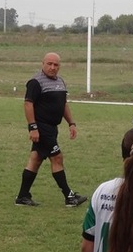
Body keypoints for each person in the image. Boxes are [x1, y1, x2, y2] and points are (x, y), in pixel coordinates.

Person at [14, 52, 87, 207]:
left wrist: (71, 123)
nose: (53, 67)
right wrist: (33, 128)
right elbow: (28, 104)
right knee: (57, 158)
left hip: (52, 128)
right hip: (42, 128)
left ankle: (22, 196)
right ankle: (69, 196)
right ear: (43, 63)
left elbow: (64, 104)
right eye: (49, 64)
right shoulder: (35, 82)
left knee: (36, 159)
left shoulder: (60, 81)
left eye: (56, 65)